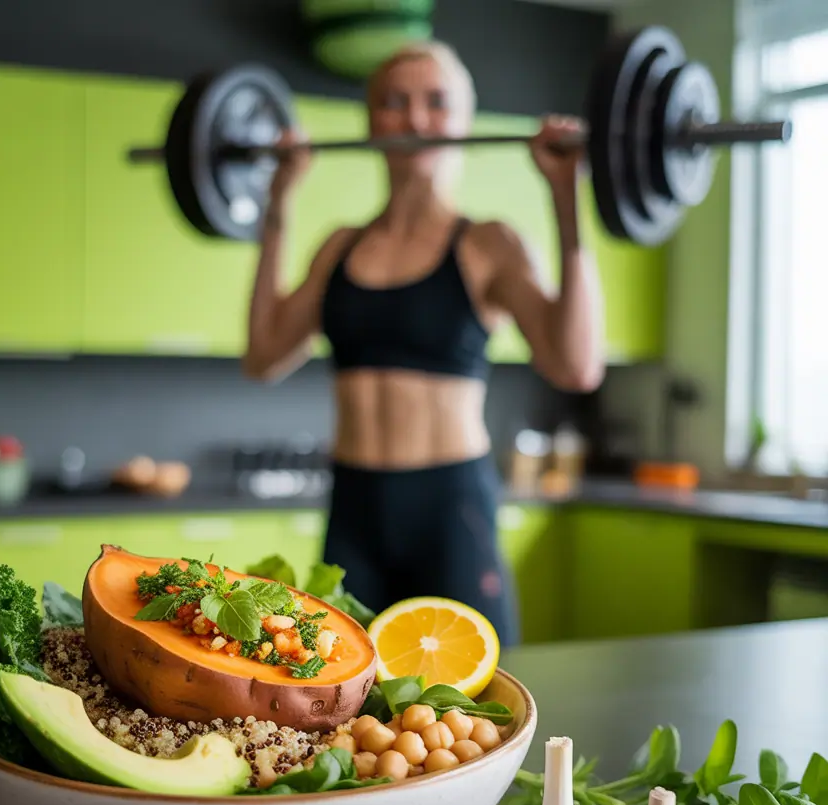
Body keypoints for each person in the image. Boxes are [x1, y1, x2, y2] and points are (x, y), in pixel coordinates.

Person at [243, 40, 604, 647]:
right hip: (354, 506)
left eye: (436, 103)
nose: (414, 119)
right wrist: (278, 199)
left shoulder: (488, 244)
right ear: (371, 121)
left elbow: (575, 364)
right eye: (394, 102)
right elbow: (262, 356)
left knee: (477, 707)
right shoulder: (339, 248)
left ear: (464, 122)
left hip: (449, 507)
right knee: (339, 699)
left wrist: (567, 198)